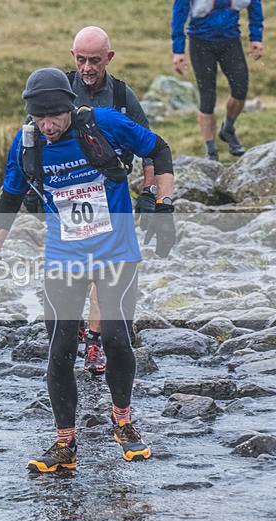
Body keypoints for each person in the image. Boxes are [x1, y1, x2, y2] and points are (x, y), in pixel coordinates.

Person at [0, 68, 176, 472]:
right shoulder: (27, 142)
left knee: (117, 339)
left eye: (55, 117)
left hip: (116, 252)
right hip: (63, 257)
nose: (47, 126)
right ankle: (64, 443)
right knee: (60, 347)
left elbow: (159, 148)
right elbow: (9, 198)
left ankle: (123, 420)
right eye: (38, 118)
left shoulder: (103, 123)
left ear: (70, 107)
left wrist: (164, 207)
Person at [68, 26, 157, 376]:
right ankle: (82, 328)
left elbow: (151, 149)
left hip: (113, 195)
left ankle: (94, 340)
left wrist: (150, 193)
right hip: (68, 196)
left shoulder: (122, 95)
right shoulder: (59, 89)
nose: (87, 67)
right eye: (80, 59)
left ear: (109, 57)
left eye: (94, 60)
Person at [171, 0, 264, 161]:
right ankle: (211, 152)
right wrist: (178, 50)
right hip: (200, 43)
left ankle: (228, 128)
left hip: (231, 40)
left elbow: (254, 4)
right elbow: (179, 11)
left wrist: (256, 37)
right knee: (208, 97)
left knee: (240, 89)